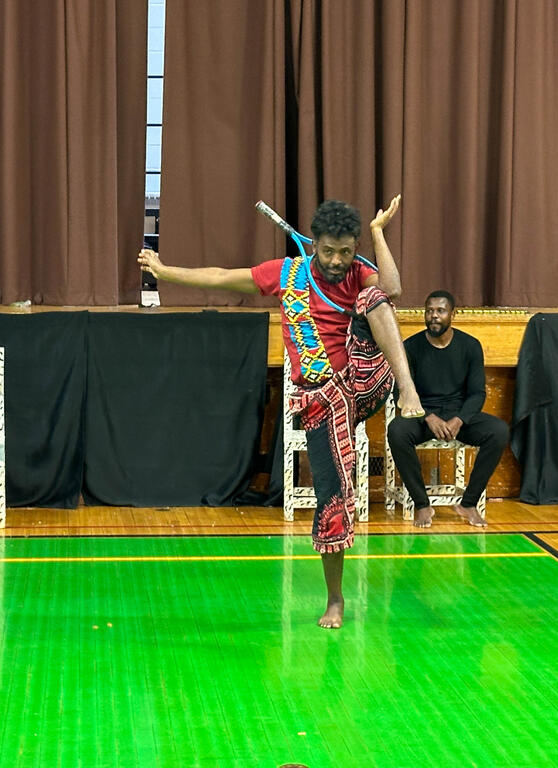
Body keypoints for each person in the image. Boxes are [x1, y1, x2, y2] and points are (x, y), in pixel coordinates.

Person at [137, 196, 423, 629]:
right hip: (323, 401)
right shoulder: (287, 274)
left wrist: (378, 233)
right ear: (314, 245)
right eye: (329, 251)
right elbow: (221, 277)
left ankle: (409, 386)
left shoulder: (359, 274)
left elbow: (394, 290)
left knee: (373, 297)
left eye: (346, 251)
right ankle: (335, 599)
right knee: (332, 500)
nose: (337, 261)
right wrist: (165, 271)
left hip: (366, 380)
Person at [387, 290, 508, 528]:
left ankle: (468, 503)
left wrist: (459, 419)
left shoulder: (470, 346)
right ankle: (422, 505)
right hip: (423, 415)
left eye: (440, 311)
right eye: (429, 311)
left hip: (457, 417)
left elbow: (477, 393)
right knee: (397, 431)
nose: (434, 316)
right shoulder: (410, 347)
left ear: (453, 314)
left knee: (498, 431)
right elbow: (401, 391)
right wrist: (428, 416)